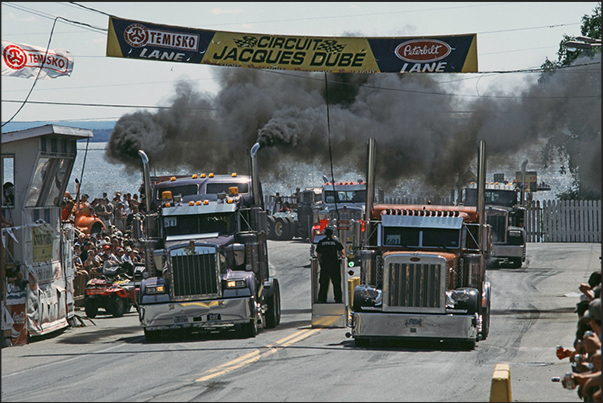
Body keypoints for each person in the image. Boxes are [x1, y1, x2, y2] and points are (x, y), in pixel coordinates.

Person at [316, 227, 345, 303]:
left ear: (325, 234)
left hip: (325, 265)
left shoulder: (321, 242)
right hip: (334, 265)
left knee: (323, 283)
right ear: (332, 234)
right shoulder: (335, 241)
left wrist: (320, 262)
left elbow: (318, 254)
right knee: (336, 283)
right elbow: (341, 252)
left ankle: (322, 299)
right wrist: (344, 259)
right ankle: (338, 299)